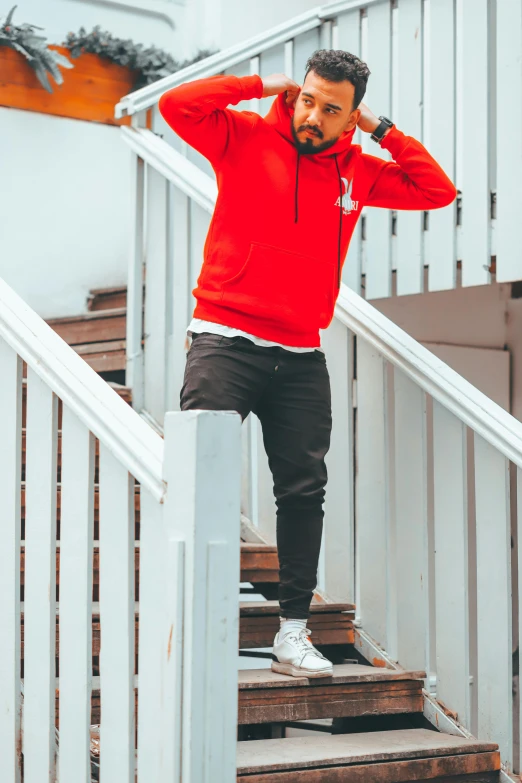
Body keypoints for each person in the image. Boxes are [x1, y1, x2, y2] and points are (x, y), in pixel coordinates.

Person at [158, 49, 456, 678]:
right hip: (225, 338)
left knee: (303, 493)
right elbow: (175, 105)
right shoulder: (240, 136)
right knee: (197, 480)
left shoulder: (360, 171)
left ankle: (291, 633)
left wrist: (382, 130)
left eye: (331, 109)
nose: (311, 116)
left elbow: (437, 190)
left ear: (350, 119)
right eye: (308, 100)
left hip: (299, 354)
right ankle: (185, 621)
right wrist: (263, 81)